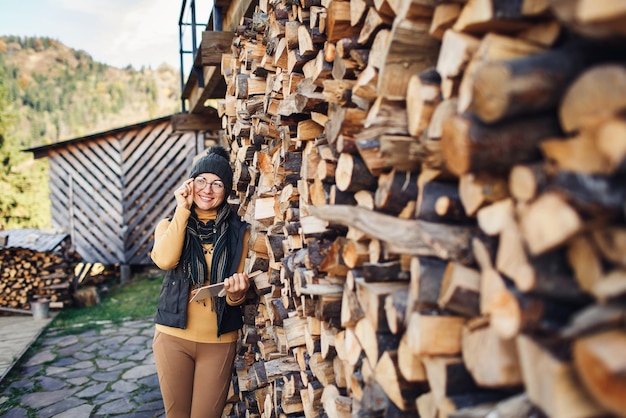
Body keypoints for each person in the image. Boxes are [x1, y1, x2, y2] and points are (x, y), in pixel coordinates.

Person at [151, 145, 251, 418]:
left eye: (217, 183)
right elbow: (166, 260)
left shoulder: (240, 232)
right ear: (190, 184)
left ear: (226, 190)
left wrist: (236, 293)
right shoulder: (169, 224)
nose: (208, 189)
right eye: (201, 181)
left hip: (218, 341)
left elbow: (235, 291)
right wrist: (182, 210)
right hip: (172, 338)